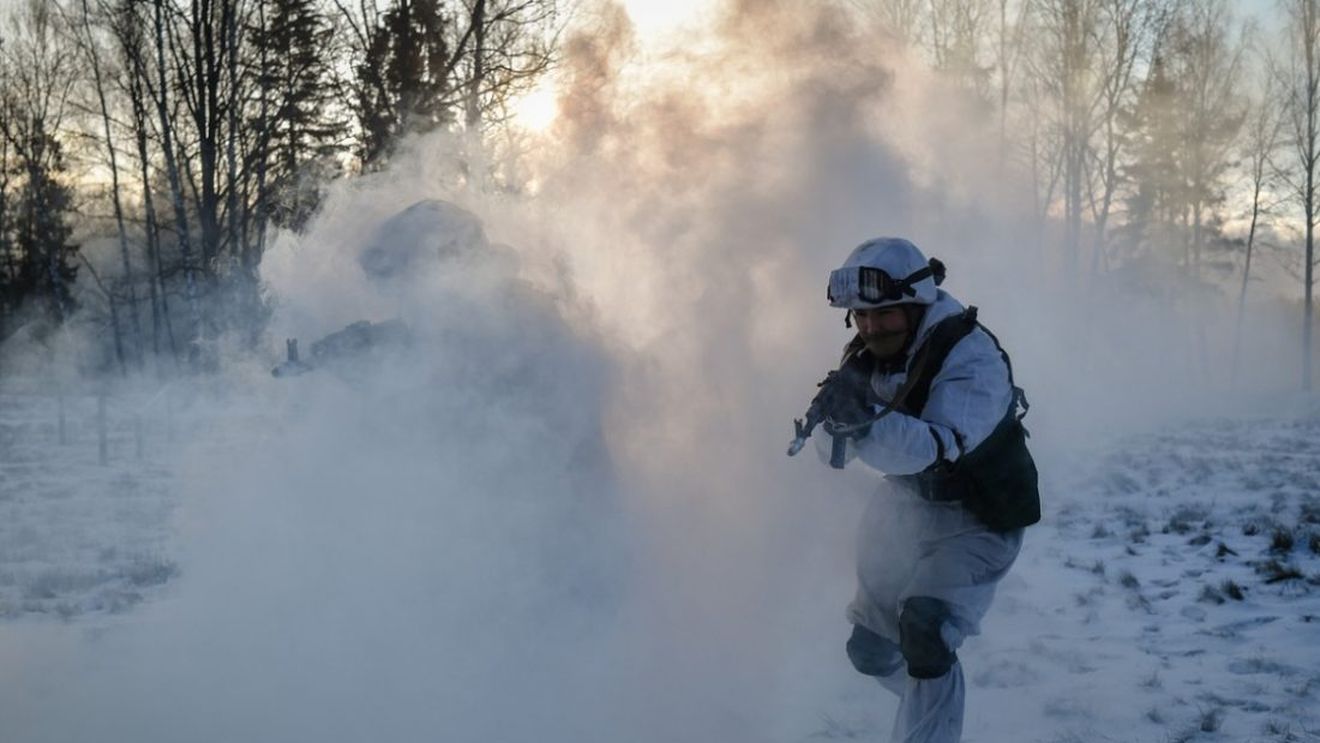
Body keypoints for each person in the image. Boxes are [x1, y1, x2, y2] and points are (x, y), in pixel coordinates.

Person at [811, 237, 1040, 743]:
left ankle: (930, 710)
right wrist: (830, 427)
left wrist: (863, 424)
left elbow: (937, 447)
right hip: (904, 508)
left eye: (884, 314)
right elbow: (838, 457)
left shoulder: (971, 356)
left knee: (925, 631)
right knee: (870, 652)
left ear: (917, 303)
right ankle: (932, 692)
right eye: (860, 317)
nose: (871, 328)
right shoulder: (871, 353)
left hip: (980, 517)